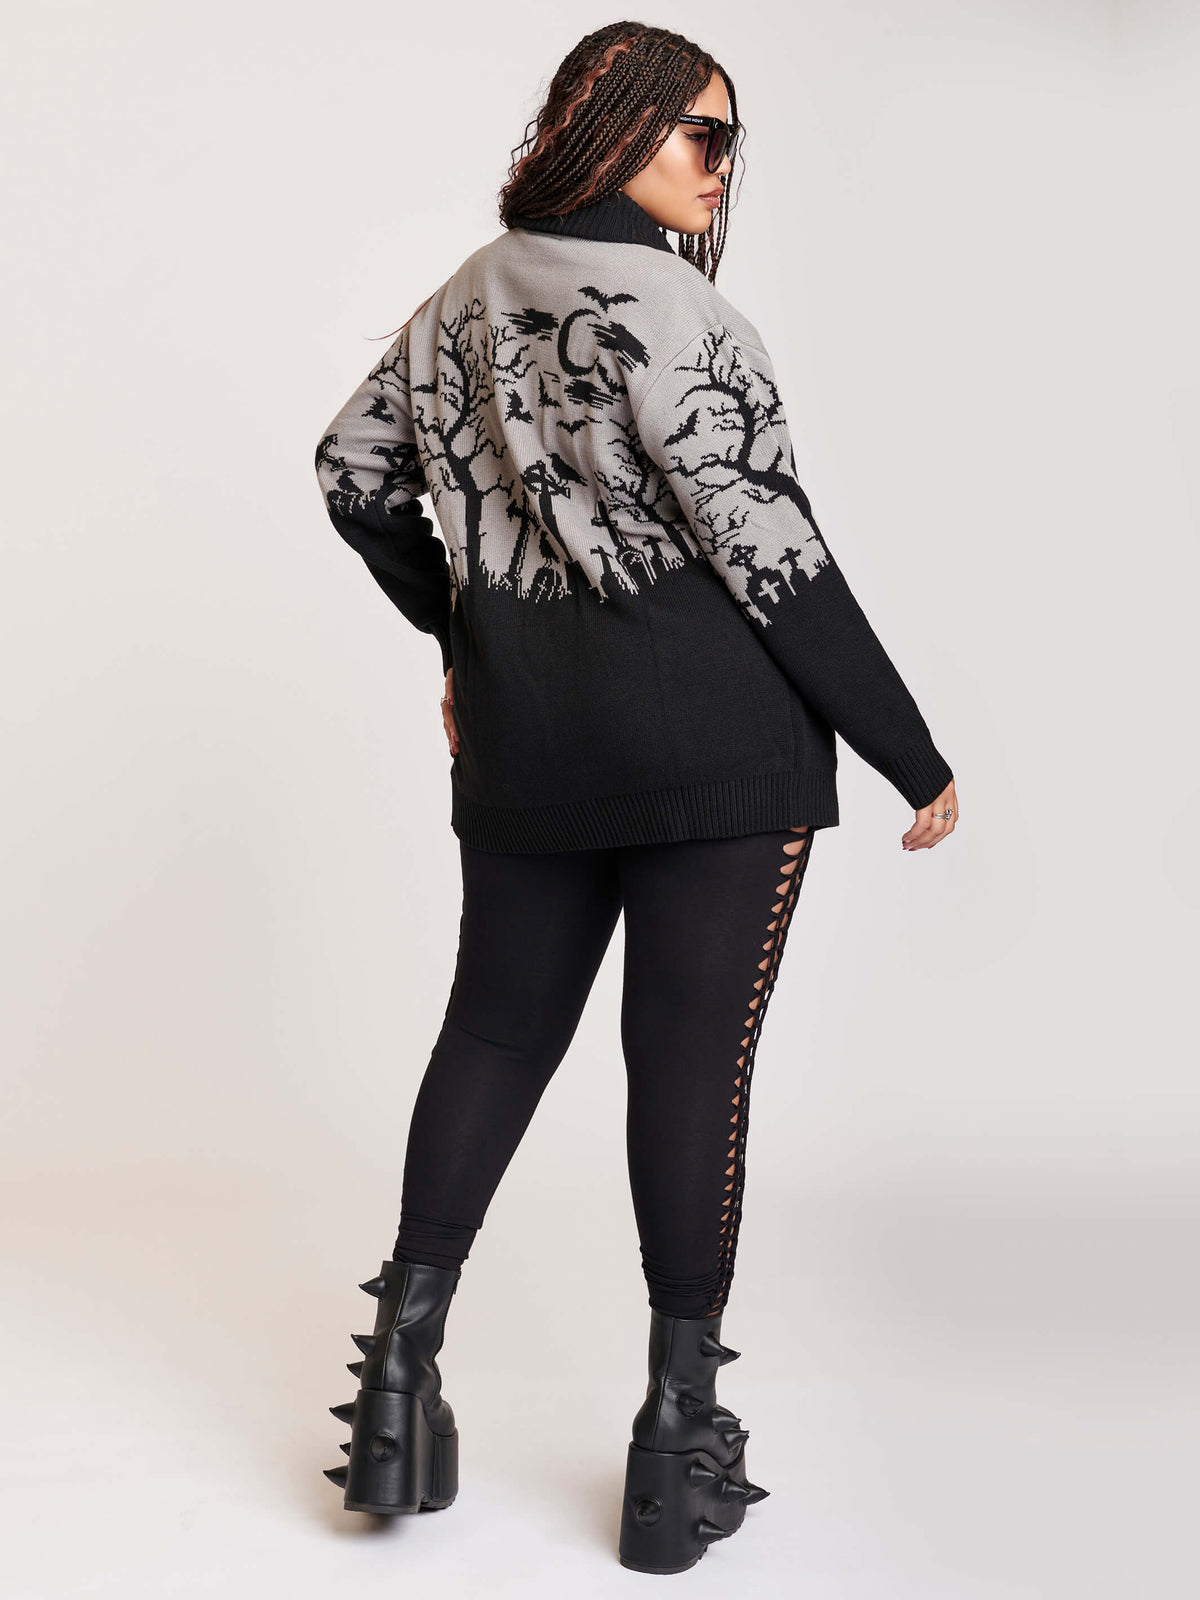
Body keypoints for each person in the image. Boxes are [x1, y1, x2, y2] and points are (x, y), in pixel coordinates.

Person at [313, 22, 958, 1574]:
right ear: (614, 129)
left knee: (493, 1033)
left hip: (531, 747)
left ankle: (395, 1387)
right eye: (700, 134)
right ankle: (677, 1444)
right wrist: (910, 752)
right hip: (716, 757)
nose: (720, 165)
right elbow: (774, 558)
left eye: (730, 140)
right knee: (686, 1068)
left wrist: (467, 638)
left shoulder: (464, 297)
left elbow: (351, 471)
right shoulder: (682, 312)